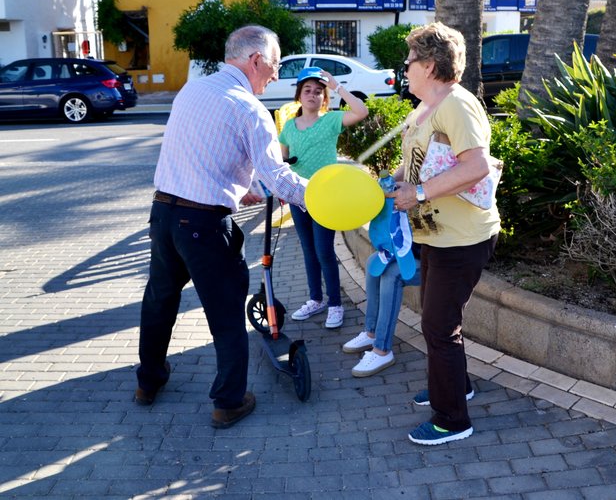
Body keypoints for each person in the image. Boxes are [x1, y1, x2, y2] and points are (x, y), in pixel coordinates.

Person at [135, 25, 308, 430]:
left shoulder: (191, 90)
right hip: (203, 226)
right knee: (227, 314)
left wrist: (238, 189)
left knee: (158, 301)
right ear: (256, 60)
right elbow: (279, 179)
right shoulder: (250, 109)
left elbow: (202, 152)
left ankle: (148, 383)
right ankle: (229, 401)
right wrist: (324, 196)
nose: (276, 77)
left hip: (163, 214)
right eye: (275, 65)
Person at [390, 22, 501, 445]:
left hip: (463, 237)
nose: (406, 67)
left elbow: (474, 167)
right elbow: (418, 159)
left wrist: (416, 192)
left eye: (411, 61)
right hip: (438, 234)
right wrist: (393, 181)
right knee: (438, 321)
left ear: (431, 65)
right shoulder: (426, 106)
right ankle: (457, 385)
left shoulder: (456, 104)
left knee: (439, 326)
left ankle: (452, 418)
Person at [279, 67, 368, 329]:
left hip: (325, 197)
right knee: (308, 251)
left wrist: (337, 86)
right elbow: (282, 161)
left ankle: (335, 304)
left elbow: (361, 111)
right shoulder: (289, 128)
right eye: (307, 90)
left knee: (324, 251)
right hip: (299, 199)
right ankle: (315, 299)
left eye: (319, 91)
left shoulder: (330, 121)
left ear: (324, 98)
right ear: (299, 95)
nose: (313, 95)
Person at [343, 245, 420, 377]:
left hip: (433, 255)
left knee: (392, 274)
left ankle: (382, 349)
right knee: (374, 262)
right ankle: (371, 333)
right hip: (410, 249)